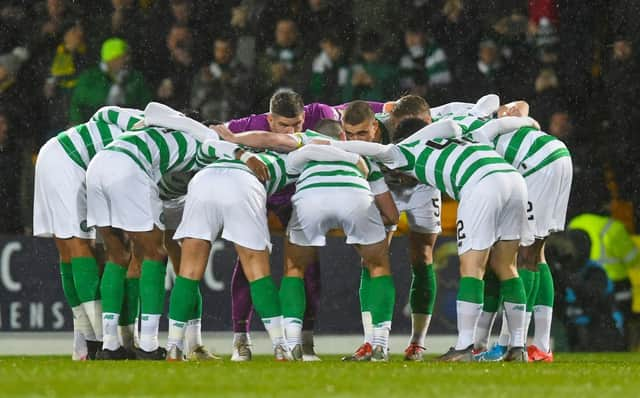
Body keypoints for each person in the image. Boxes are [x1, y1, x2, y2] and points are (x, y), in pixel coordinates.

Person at [325, 117, 533, 361]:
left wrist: (324, 145)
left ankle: (466, 346)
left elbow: (370, 149)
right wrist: (528, 121)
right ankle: (518, 347)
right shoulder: (468, 135)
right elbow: (498, 123)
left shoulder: (406, 150)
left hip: (480, 186)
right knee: (506, 265)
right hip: (514, 180)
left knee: (472, 268)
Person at [84, 102, 217, 359]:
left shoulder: (147, 127)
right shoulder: (194, 141)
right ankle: (149, 345)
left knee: (117, 255)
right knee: (157, 255)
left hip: (99, 166)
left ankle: (110, 345)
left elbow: (134, 109)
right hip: (131, 172)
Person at [446, 102, 571, 362]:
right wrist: (525, 119)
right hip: (557, 152)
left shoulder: (467, 139)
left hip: (537, 165)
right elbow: (518, 106)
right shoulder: (487, 122)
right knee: (537, 254)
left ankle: (509, 345)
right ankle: (541, 346)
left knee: (520, 256)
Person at [224, 89, 339, 361]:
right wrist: (241, 152)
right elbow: (216, 136)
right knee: (249, 260)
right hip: (260, 193)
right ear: (270, 119)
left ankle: (304, 341)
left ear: (305, 116)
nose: (290, 132)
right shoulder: (248, 125)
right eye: (283, 125)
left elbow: (352, 109)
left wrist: (391, 106)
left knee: (307, 261)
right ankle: (241, 339)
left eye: (297, 124)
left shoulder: (320, 114)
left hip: (296, 193)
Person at [33, 106, 143, 360]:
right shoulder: (148, 139)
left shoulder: (137, 124)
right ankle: (104, 341)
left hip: (57, 152)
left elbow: (104, 113)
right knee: (83, 248)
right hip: (70, 162)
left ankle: (85, 342)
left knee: (70, 252)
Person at [338, 99, 441, 361]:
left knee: (423, 256)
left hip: (422, 190)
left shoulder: (429, 124)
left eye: (361, 133)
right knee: (372, 257)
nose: (355, 139)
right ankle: (372, 342)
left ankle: (417, 342)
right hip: (386, 190)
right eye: (350, 134)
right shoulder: (363, 131)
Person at [69, 38, 151, 124]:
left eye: (127, 56)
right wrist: (76, 123)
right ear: (111, 58)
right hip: (94, 124)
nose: (127, 60)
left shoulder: (135, 77)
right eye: (122, 57)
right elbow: (76, 102)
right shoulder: (90, 77)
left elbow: (146, 102)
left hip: (127, 125)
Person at [190, 35, 252, 122]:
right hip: (207, 125)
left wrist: (228, 83)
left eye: (226, 50)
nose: (221, 54)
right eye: (218, 50)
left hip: (233, 125)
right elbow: (194, 104)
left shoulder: (242, 73)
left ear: (233, 50)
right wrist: (207, 84)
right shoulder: (206, 72)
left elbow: (245, 104)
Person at [343, 31, 399, 102]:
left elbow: (392, 98)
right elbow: (345, 100)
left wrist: (374, 84)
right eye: (366, 51)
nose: (369, 55)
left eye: (372, 51)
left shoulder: (389, 69)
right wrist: (352, 85)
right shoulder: (355, 69)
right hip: (358, 111)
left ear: (379, 49)